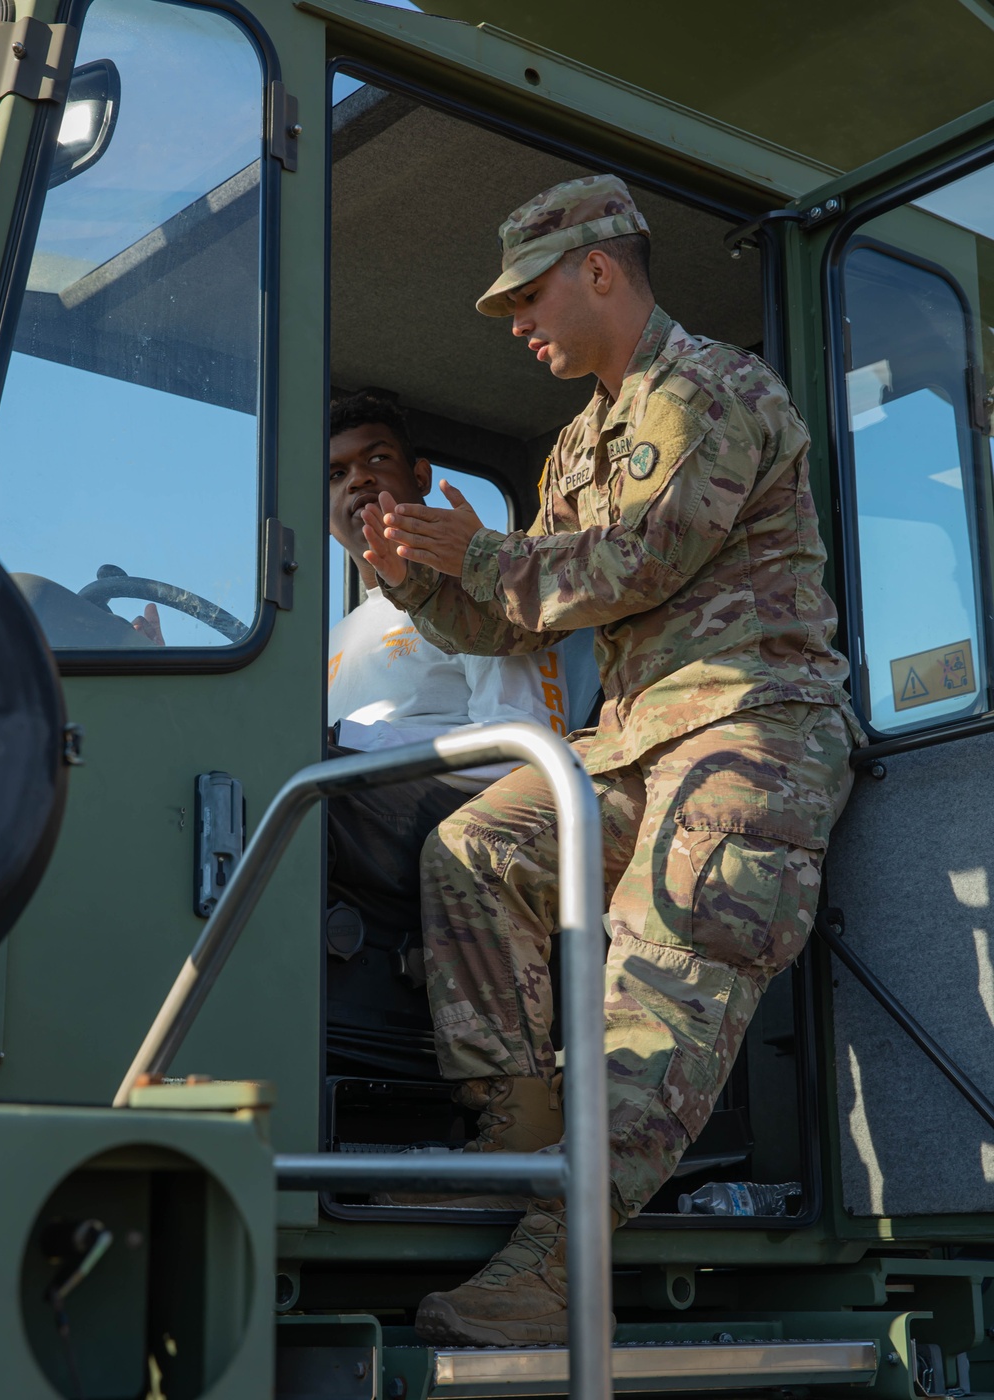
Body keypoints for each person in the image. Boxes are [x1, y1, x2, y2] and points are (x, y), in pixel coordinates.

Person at [361, 175, 866, 1345]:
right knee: (475, 846)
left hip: (753, 730)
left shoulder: (708, 390)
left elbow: (634, 563)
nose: (520, 325)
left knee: (660, 967)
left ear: (601, 268)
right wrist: (415, 570)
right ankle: (522, 1133)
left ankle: (553, 1266)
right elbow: (522, 613)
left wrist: (477, 550)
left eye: (527, 299)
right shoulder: (580, 441)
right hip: (635, 737)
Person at [325, 391, 569, 1077]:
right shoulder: (340, 636)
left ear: (423, 476)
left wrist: (350, 749)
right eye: (338, 475)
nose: (359, 481)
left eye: (377, 461)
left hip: (440, 819)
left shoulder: (483, 590)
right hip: (350, 802)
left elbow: (527, 754)